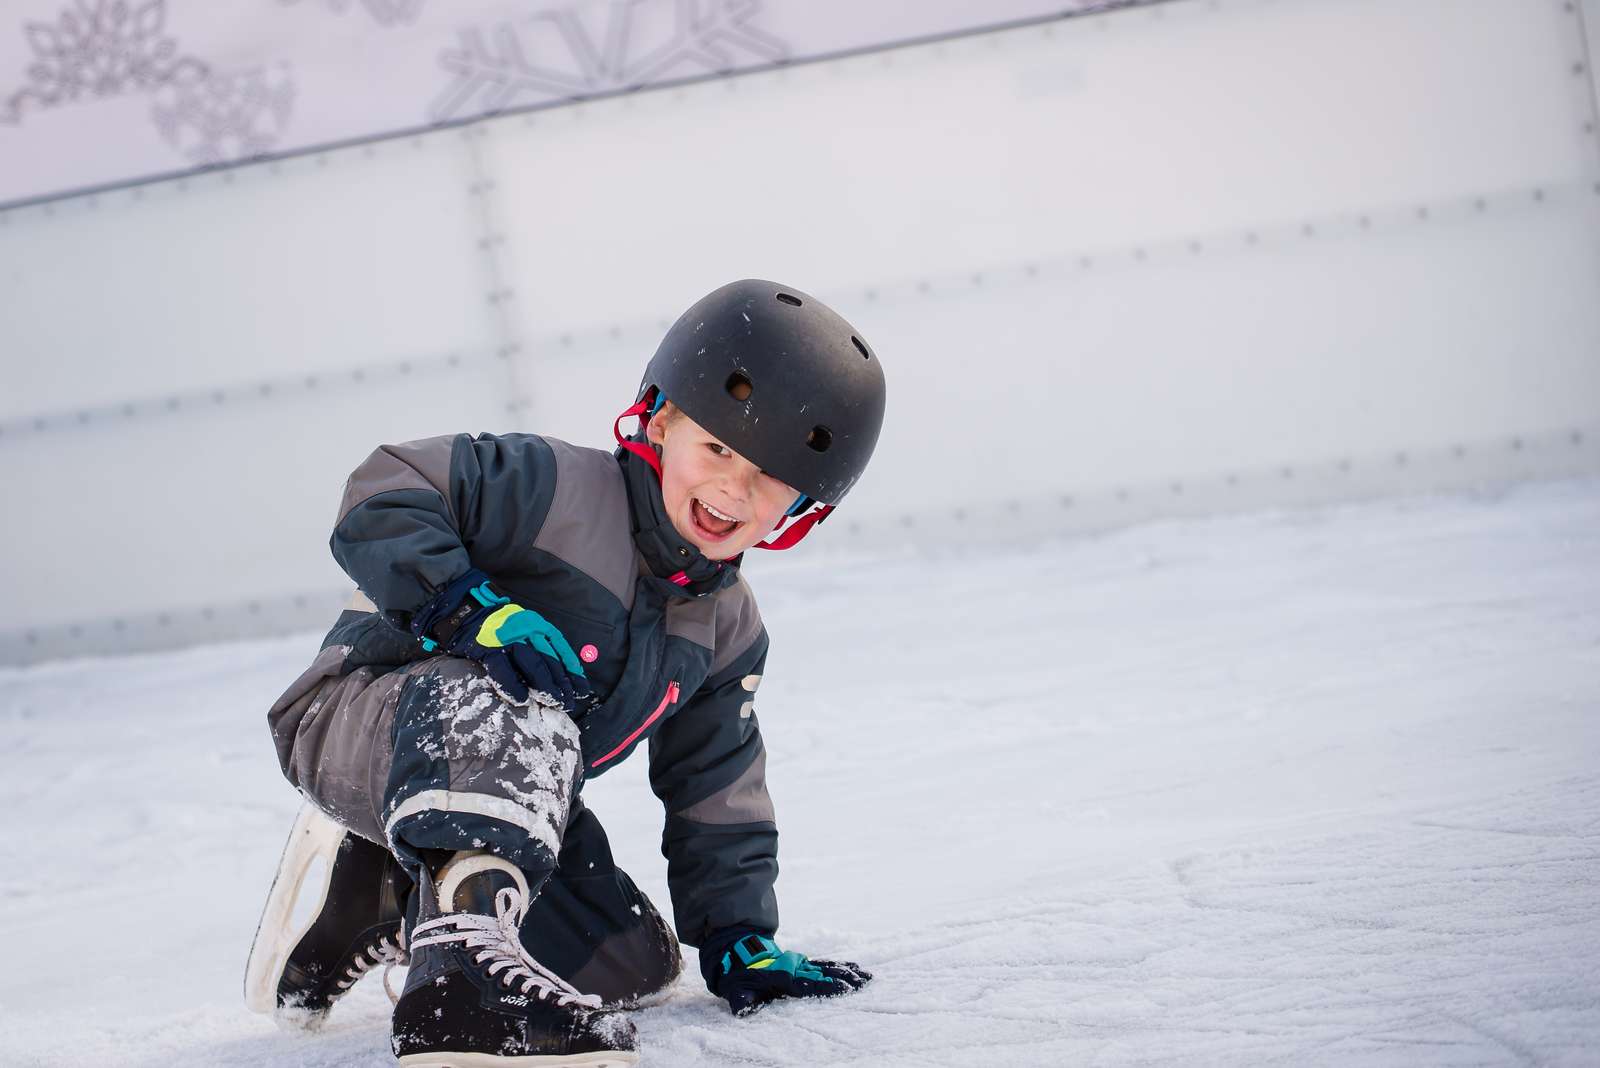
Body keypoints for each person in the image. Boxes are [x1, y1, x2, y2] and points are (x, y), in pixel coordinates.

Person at [243, 279, 888, 1065]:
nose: (731, 487)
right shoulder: (551, 486)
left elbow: (715, 780)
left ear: (802, 507)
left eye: (767, 477)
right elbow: (384, 490)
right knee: (523, 701)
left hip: (508, 794)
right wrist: (466, 607)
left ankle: (386, 891)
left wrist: (739, 935)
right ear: (658, 421)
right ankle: (464, 999)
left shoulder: (726, 628)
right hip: (357, 717)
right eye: (716, 448)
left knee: (632, 966)